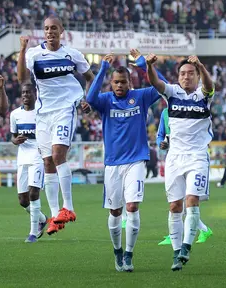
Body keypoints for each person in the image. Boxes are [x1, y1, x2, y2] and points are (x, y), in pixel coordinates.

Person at [17, 16, 95, 233]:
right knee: (48, 162)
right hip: (43, 115)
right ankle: (54, 215)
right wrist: (22, 50)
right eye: (46, 29)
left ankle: (68, 207)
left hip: (65, 109)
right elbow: (22, 79)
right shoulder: (34, 54)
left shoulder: (72, 54)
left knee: (58, 154)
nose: (49, 31)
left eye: (53, 28)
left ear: (62, 31)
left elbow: (90, 77)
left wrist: (88, 97)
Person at [86, 53, 161, 272]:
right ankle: (117, 251)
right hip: (112, 164)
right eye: (116, 82)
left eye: (123, 82)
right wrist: (102, 69)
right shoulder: (105, 100)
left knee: (132, 206)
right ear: (111, 83)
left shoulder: (140, 96)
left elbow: (163, 86)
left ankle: (128, 254)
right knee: (115, 212)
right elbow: (90, 99)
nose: (119, 85)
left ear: (130, 82)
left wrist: (144, 66)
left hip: (136, 160)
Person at [147, 54, 214, 271]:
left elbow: (210, 86)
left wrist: (201, 66)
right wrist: (149, 65)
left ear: (196, 76)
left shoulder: (203, 95)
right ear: (178, 77)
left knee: (192, 200)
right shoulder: (172, 93)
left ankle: (186, 247)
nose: (186, 77)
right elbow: (155, 82)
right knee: (175, 206)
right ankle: (177, 253)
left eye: (190, 73)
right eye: (183, 74)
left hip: (197, 157)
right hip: (175, 158)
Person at [156, 108, 213, 246]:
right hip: (175, 160)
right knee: (176, 201)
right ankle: (202, 230)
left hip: (193, 159)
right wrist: (161, 144)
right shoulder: (165, 112)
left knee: (187, 199)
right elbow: (160, 135)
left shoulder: (195, 108)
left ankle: (178, 235)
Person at [10, 83, 47, 243]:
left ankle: (33, 233)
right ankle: (42, 219)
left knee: (33, 193)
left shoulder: (42, 113)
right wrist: (15, 140)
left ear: (35, 93)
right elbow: (13, 136)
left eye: (28, 92)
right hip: (22, 158)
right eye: (23, 92)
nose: (25, 95)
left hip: (38, 157)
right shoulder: (15, 114)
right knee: (23, 200)